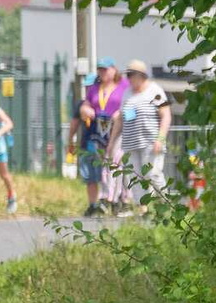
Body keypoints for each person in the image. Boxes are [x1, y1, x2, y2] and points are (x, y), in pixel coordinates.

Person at [108, 58, 173, 215]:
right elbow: (123, 118)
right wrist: (111, 142)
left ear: (141, 75)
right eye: (128, 75)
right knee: (135, 177)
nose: (129, 78)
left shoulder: (154, 90)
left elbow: (166, 115)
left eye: (132, 75)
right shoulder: (127, 94)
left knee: (153, 173)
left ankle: (166, 205)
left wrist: (161, 138)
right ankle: (143, 209)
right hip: (131, 142)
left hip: (151, 142)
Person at [82, 57, 130, 212]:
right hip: (100, 130)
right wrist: (86, 109)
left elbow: (132, 105)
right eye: (100, 69)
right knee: (104, 165)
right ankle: (106, 197)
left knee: (116, 162)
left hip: (119, 129)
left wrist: (121, 114)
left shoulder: (124, 85)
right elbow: (86, 103)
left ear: (113, 70)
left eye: (105, 69)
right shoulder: (95, 87)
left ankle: (119, 199)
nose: (102, 72)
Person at [68, 100, 111, 218]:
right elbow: (74, 123)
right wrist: (71, 141)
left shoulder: (111, 101)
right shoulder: (82, 105)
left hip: (108, 144)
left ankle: (106, 201)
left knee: (106, 174)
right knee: (90, 177)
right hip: (88, 144)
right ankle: (93, 204)